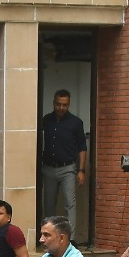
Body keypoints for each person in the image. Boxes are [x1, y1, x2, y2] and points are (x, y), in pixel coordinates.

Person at [39, 89, 87, 229]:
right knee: (48, 204)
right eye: (58, 104)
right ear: (54, 103)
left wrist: (81, 170)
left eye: (64, 105)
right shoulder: (46, 120)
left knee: (70, 204)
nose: (61, 107)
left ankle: (70, 238)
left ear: (69, 104)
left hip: (68, 168)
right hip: (49, 167)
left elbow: (82, 147)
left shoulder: (76, 122)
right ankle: (48, 234)